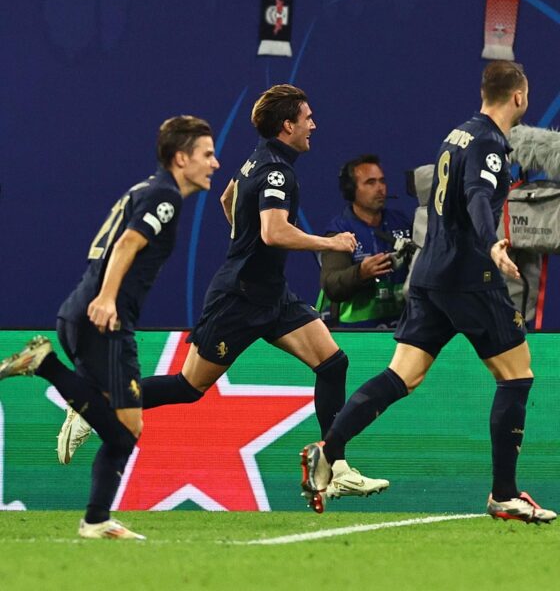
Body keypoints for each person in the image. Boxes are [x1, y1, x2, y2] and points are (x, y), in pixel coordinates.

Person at [56, 84, 389, 501]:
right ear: (288, 125)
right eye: (307, 118)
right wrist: (332, 243)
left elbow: (229, 198)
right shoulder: (275, 171)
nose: (313, 125)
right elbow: (273, 231)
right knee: (188, 388)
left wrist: (242, 242)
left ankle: (333, 465)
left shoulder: (260, 157)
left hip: (271, 294)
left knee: (333, 363)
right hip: (239, 299)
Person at [300, 61, 557, 523]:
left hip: (429, 274)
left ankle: (327, 449)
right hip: (467, 276)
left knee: (403, 376)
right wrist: (492, 243)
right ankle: (504, 493)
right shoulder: (490, 144)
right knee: (517, 376)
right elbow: (479, 198)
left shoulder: (456, 135)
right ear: (519, 96)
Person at [0, 115, 220, 539]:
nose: (215, 162)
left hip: (88, 313)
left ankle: (97, 520)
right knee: (124, 433)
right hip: (103, 318)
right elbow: (127, 244)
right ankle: (46, 366)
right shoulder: (165, 197)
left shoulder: (146, 189)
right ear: (181, 158)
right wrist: (107, 298)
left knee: (126, 432)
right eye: (207, 154)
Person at [317, 154, 413, 328]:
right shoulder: (339, 232)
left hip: (403, 329)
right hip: (358, 334)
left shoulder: (403, 223)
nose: (380, 189)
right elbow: (331, 286)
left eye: (382, 181)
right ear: (350, 189)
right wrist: (360, 273)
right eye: (370, 183)